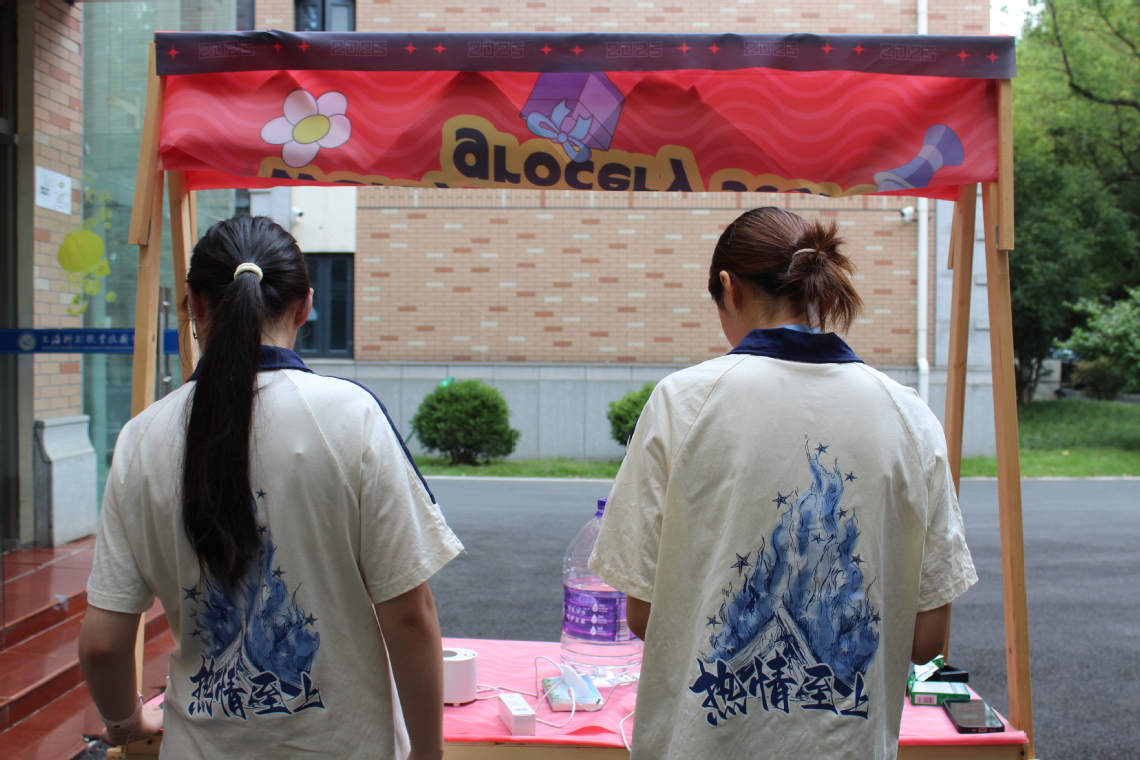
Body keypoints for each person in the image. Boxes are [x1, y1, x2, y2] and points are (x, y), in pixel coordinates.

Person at [589, 207, 976, 759]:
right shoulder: (910, 417)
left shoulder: (683, 403)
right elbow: (927, 642)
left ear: (728, 287)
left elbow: (646, 614)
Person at [79, 216, 462, 759]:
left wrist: (124, 723)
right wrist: (428, 753)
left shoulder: (142, 437)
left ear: (194, 303)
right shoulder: (349, 417)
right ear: (305, 307)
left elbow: (102, 644)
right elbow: (407, 614)